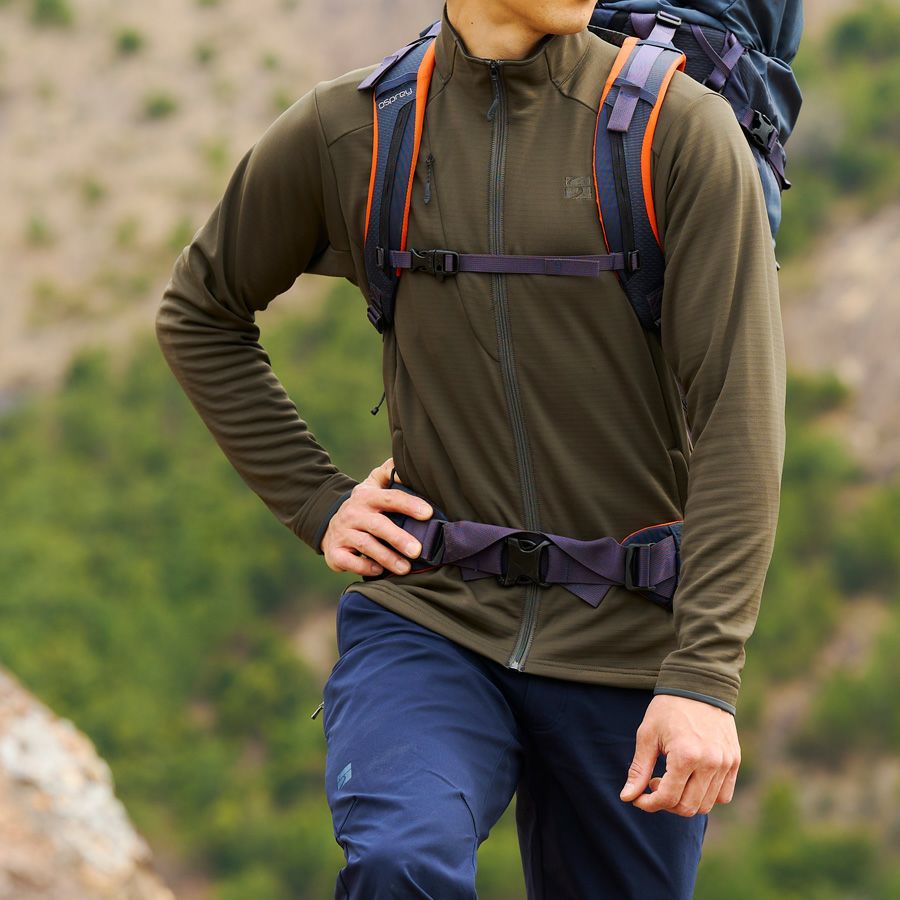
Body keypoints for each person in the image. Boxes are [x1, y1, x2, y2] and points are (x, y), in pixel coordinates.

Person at [155, 0, 786, 896]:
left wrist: (704, 677)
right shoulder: (357, 129)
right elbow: (201, 311)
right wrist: (316, 500)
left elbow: (739, 418)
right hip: (431, 617)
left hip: (629, 645)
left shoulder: (679, 133)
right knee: (399, 863)